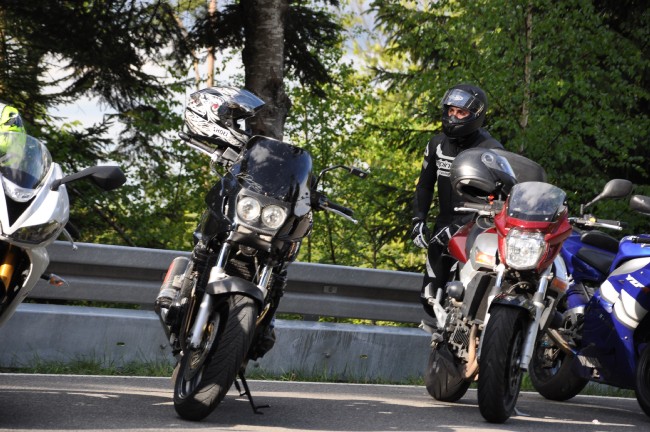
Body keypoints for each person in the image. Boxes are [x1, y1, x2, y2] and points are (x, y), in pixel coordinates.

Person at [411, 84, 503, 320]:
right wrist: (418, 220)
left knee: (464, 297)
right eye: (451, 110)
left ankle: (471, 337)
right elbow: (424, 185)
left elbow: (497, 199)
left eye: (461, 113)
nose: (453, 117)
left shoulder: (490, 149)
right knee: (430, 299)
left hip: (475, 231)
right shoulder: (436, 144)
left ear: (476, 115)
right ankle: (442, 337)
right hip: (442, 226)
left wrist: (463, 226)